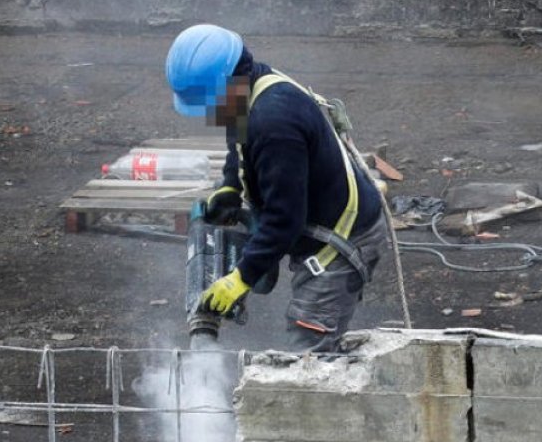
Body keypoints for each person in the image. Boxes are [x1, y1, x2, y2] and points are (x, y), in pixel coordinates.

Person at [165, 24, 388, 352]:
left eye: (209, 104)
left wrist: (240, 278)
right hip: (315, 215)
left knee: (308, 353)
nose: (209, 114)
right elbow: (237, 139)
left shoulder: (274, 124)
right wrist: (230, 186)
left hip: (341, 241)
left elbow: (285, 220)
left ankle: (318, 399)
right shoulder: (250, 83)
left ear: (225, 86)